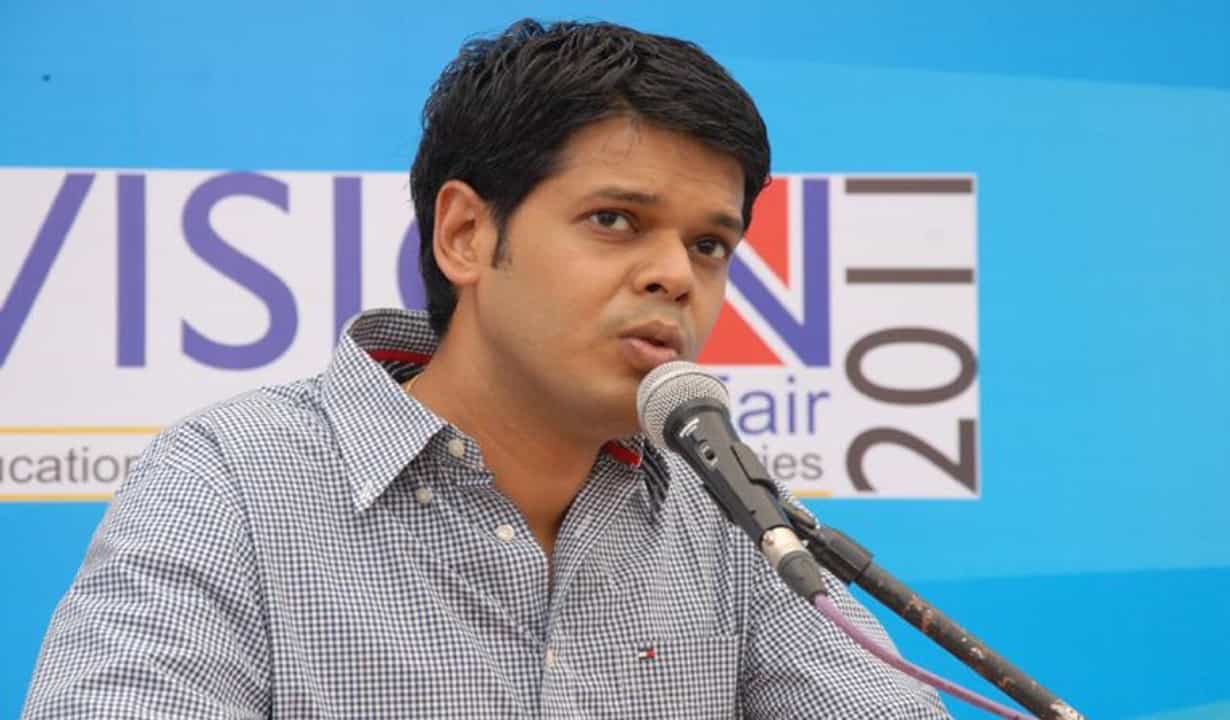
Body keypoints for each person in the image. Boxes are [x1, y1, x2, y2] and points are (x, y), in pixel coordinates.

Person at [24, 19, 950, 719]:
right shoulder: (230, 481)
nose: (676, 275)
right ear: (466, 234)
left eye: (710, 245)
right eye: (615, 220)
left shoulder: (727, 513)